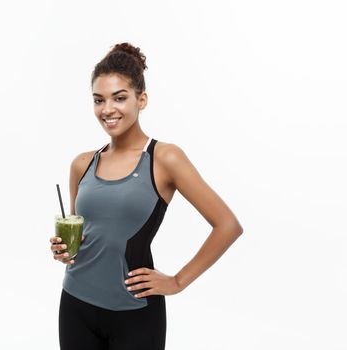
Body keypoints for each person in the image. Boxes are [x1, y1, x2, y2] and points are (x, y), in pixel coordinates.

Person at [49, 42, 244, 350]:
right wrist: (64, 250)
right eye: (99, 100)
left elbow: (227, 225)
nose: (107, 109)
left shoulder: (164, 158)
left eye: (120, 98)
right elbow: (82, 236)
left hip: (135, 313)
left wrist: (177, 282)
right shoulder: (82, 163)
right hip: (75, 305)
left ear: (142, 100)